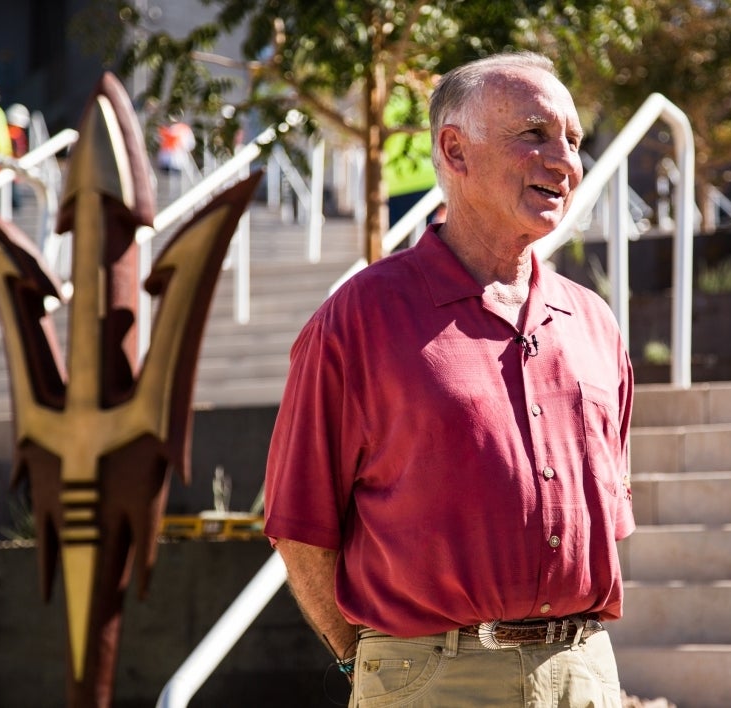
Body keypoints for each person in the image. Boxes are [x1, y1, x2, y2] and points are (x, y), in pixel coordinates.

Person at [263, 51, 634, 708]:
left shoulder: (595, 323)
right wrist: (376, 664)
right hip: (429, 682)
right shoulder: (358, 320)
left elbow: (611, 518)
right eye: (535, 135)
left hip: (585, 676)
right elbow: (299, 525)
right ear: (455, 152)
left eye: (574, 141)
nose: (566, 162)